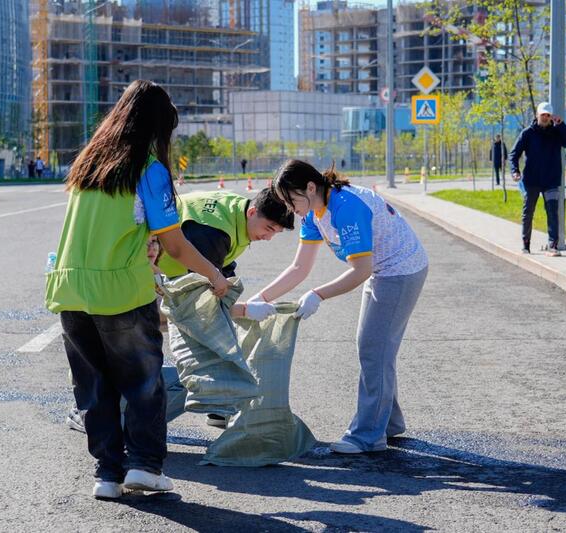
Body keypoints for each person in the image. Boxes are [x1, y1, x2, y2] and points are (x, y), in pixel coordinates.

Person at [45, 80, 229, 499]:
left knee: (94, 389)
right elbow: (176, 244)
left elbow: (113, 228)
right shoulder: (148, 168)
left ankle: (107, 475)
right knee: (143, 383)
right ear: (158, 127)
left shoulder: (87, 165)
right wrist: (214, 276)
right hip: (121, 292)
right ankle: (145, 466)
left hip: (71, 290)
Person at [251, 160, 428, 454]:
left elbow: (360, 271)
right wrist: (261, 298)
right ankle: (389, 422)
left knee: (374, 348)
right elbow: (299, 267)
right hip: (381, 270)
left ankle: (368, 435)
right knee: (373, 347)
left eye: (291, 200)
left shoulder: (346, 207)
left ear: (310, 187)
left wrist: (317, 295)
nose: (290, 209)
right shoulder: (312, 211)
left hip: (401, 270)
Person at [156, 187, 295, 427]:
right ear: (252, 212)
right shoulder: (213, 231)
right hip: (144, 277)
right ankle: (116, 410)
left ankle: (220, 404)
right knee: (187, 355)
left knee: (219, 334)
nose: (269, 237)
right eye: (269, 228)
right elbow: (196, 305)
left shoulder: (238, 213)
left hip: (168, 273)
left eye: (276, 232)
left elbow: (220, 277)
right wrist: (244, 310)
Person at [510, 102, 566, 257]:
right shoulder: (527, 133)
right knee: (528, 212)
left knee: (552, 212)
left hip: (551, 180)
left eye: (548, 115)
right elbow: (514, 154)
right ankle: (526, 245)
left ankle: (552, 246)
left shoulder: (556, 132)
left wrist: (562, 125)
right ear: (537, 115)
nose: (545, 118)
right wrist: (515, 171)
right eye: (543, 115)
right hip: (531, 180)